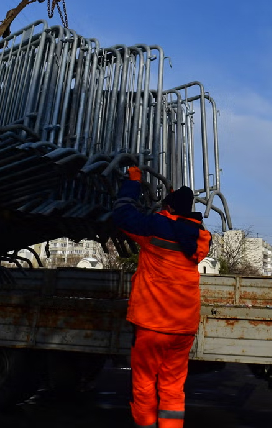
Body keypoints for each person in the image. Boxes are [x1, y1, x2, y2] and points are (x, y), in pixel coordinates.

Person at [113, 166, 211, 428]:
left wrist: (133, 183)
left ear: (169, 208)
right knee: (172, 386)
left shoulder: (156, 227)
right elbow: (182, 226)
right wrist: (172, 206)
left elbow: (122, 214)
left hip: (153, 324)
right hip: (183, 328)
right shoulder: (201, 237)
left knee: (145, 382)